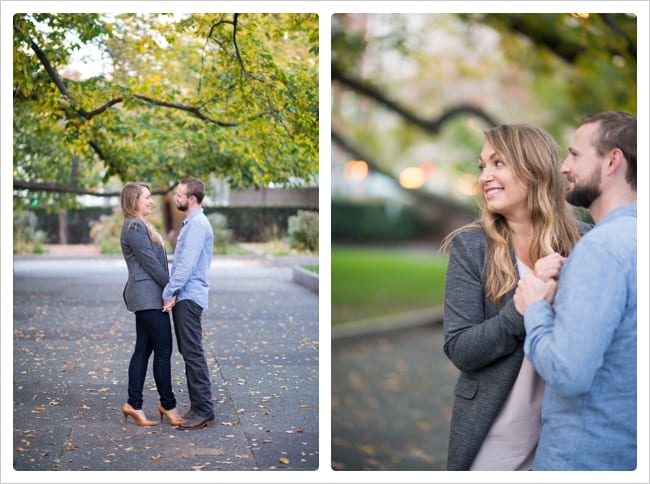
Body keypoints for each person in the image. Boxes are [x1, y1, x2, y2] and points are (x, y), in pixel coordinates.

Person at [441, 124, 589, 470]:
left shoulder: (587, 243)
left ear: (534, 168)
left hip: (568, 435)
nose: (484, 177)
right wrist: (522, 307)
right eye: (482, 167)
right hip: (496, 436)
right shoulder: (471, 246)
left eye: (498, 163)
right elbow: (461, 349)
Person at [514, 111, 636, 470]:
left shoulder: (600, 248)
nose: (564, 166)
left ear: (613, 160)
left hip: (582, 459)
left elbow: (569, 374)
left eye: (575, 154)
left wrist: (535, 308)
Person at [119, 182, 183, 427]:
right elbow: (152, 264)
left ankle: (133, 404)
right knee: (163, 350)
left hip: (147, 296)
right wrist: (172, 289)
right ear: (134, 200)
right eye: (146, 197)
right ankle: (168, 405)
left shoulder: (139, 225)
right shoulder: (134, 227)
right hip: (148, 298)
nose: (151, 201)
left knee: (143, 350)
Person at [162, 177, 216, 430]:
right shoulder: (193, 223)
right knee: (189, 352)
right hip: (186, 295)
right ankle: (198, 406)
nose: (176, 198)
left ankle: (204, 410)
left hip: (188, 297)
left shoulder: (196, 225)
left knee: (193, 353)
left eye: (180, 195)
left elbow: (185, 265)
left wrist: (169, 292)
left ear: (191, 198)